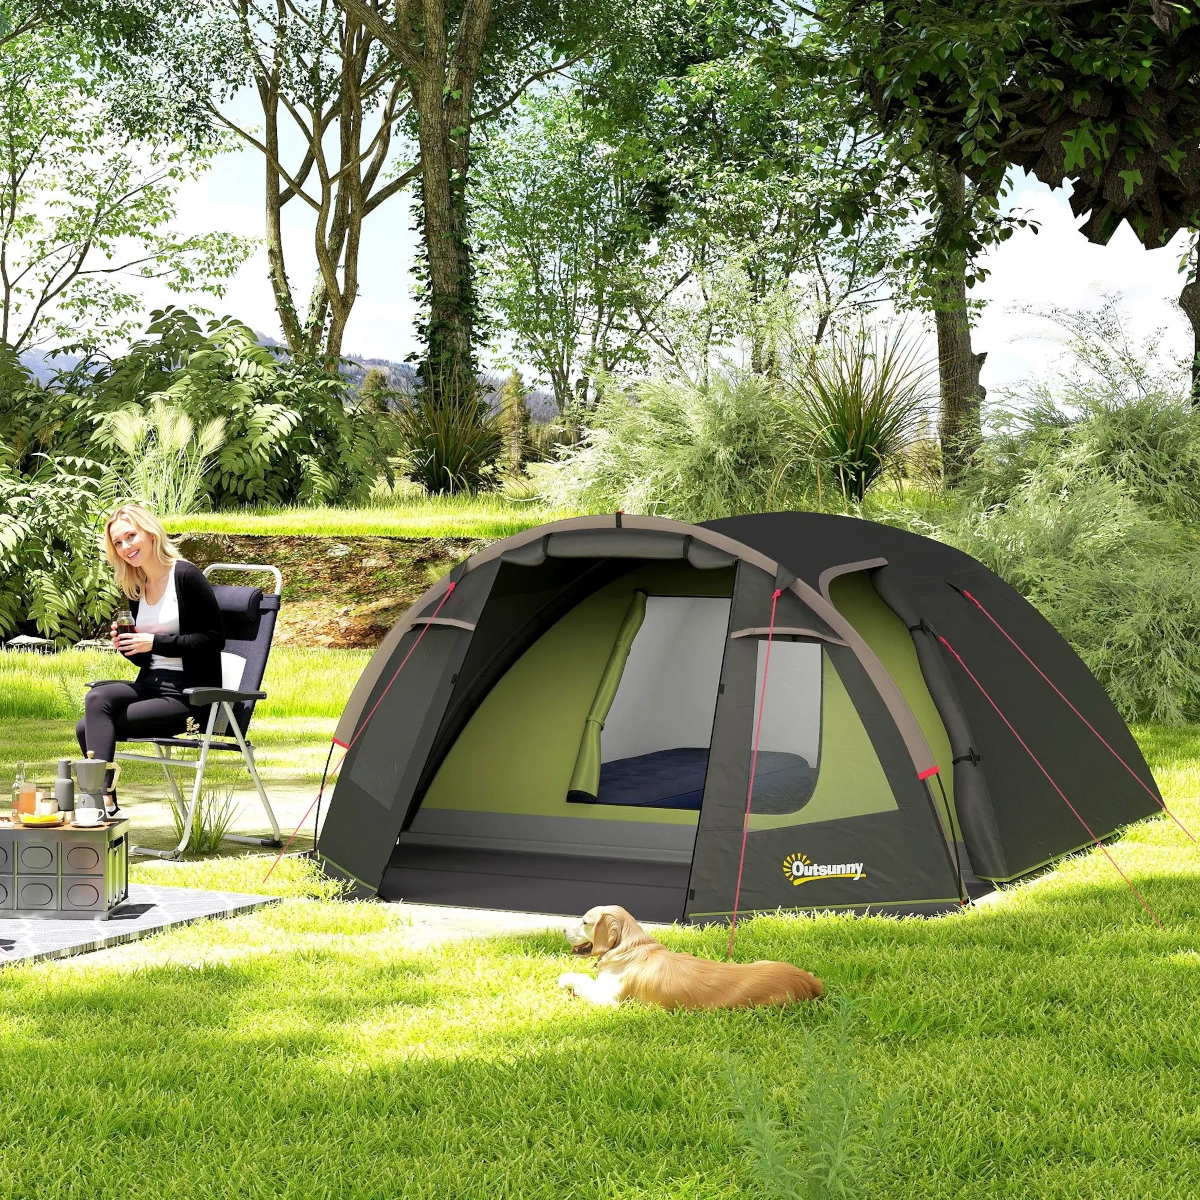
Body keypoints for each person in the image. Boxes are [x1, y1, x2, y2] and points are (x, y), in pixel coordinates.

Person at [76, 504, 225, 815]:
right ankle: (105, 800)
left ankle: (100, 801)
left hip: (189, 698)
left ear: (150, 532)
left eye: (131, 536)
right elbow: (149, 660)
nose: (126, 547)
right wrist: (130, 648)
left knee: (86, 729)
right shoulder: (136, 587)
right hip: (152, 685)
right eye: (118, 542)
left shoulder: (186, 577)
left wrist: (154, 641)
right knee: (98, 698)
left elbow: (213, 639)